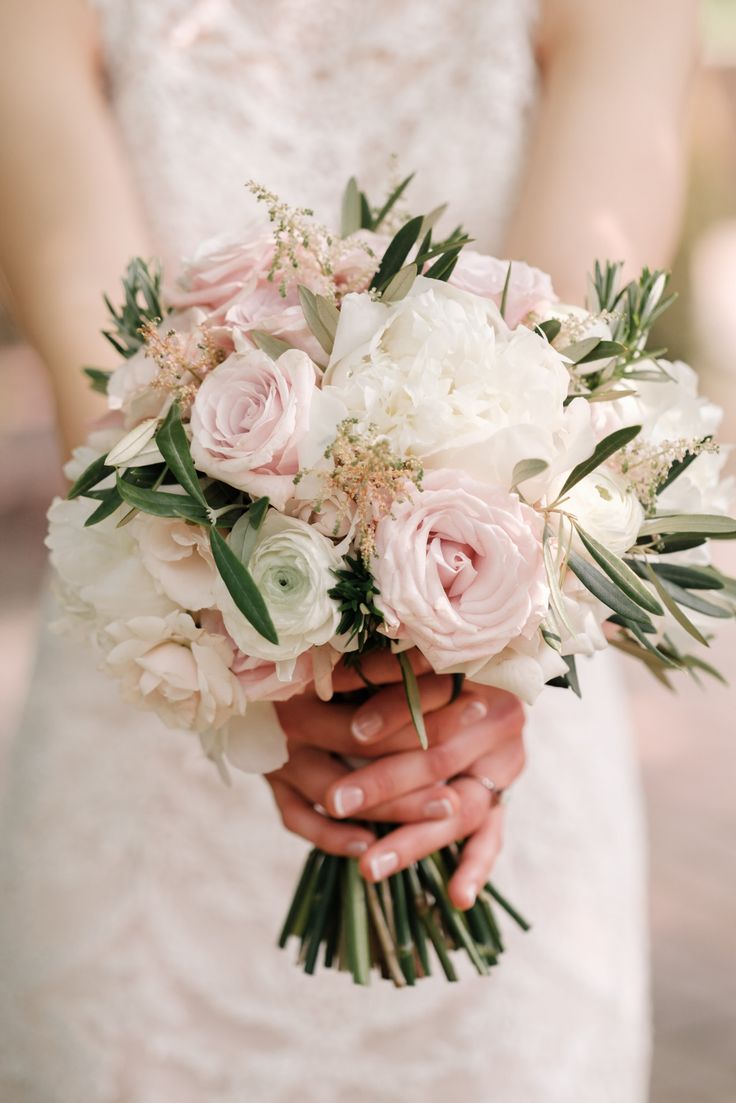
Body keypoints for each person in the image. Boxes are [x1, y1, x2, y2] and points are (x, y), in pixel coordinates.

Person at [0, 1, 696, 1100]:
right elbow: (113, 374)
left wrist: (471, 647)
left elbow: (572, 361)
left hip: (495, 724)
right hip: (155, 673)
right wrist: (258, 630)